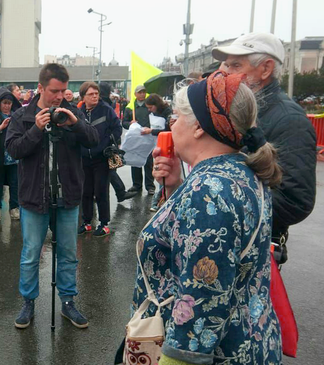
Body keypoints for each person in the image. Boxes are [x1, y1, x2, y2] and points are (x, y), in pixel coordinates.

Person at [123, 71, 282, 364]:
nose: (173, 124)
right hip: (251, 339)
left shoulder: (207, 190)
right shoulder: (241, 171)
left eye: (178, 117)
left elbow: (199, 308)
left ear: (198, 127)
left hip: (218, 353)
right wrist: (174, 187)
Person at [6, 63, 99, 329]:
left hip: (67, 196)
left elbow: (94, 140)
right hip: (34, 198)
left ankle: (68, 302)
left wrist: (76, 123)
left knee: (68, 253)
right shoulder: (22, 116)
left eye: (63, 91)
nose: (59, 96)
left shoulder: (72, 113)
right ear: (41, 88)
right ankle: (28, 302)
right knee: (31, 253)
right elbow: (13, 150)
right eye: (54, 91)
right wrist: (35, 129)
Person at [213, 32, 317, 263]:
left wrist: (221, 203)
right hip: (232, 242)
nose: (226, 73)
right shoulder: (242, 109)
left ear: (266, 69)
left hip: (254, 250)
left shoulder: (289, 120)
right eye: (226, 65)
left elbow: (295, 201)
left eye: (236, 65)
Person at [77, 81, 122, 237]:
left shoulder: (106, 110)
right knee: (86, 191)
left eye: (96, 93)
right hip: (84, 158)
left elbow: (117, 128)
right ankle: (87, 222)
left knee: (101, 191)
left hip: (101, 158)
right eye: (91, 94)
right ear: (83, 97)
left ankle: (104, 224)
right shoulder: (79, 111)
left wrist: (107, 144)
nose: (95, 96)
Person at [0, 87, 22, 221]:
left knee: (15, 183)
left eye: (9, 103)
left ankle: (14, 208)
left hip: (14, 157)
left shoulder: (17, 116)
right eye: (4, 103)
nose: (7, 106)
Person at [99, 82, 129, 202]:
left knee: (109, 168)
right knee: (109, 168)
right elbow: (117, 126)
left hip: (102, 141)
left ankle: (120, 192)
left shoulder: (104, 105)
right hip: (108, 141)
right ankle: (120, 192)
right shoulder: (110, 104)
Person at [123, 85, 155, 196]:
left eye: (143, 92)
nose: (142, 94)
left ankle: (150, 186)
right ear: (135, 94)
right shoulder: (130, 107)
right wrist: (130, 123)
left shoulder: (149, 105)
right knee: (135, 160)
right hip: (136, 138)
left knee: (148, 161)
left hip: (148, 137)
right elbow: (124, 123)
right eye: (140, 92)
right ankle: (137, 185)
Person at [143, 93, 172, 212]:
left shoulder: (167, 112)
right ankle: (160, 199)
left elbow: (167, 129)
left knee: (164, 173)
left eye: (151, 107)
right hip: (157, 145)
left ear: (156, 105)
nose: (150, 110)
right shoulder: (154, 113)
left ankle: (158, 200)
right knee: (160, 172)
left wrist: (152, 131)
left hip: (167, 146)